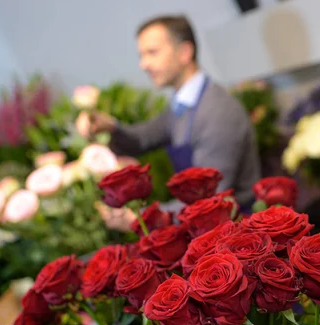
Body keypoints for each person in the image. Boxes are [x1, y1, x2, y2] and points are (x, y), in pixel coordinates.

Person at [88, 15, 261, 212]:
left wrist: (140, 217)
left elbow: (211, 200)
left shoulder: (218, 112)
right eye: (141, 55)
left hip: (236, 229)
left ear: (185, 52)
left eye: (152, 52)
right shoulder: (183, 104)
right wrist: (109, 126)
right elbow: (142, 139)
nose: (143, 64)